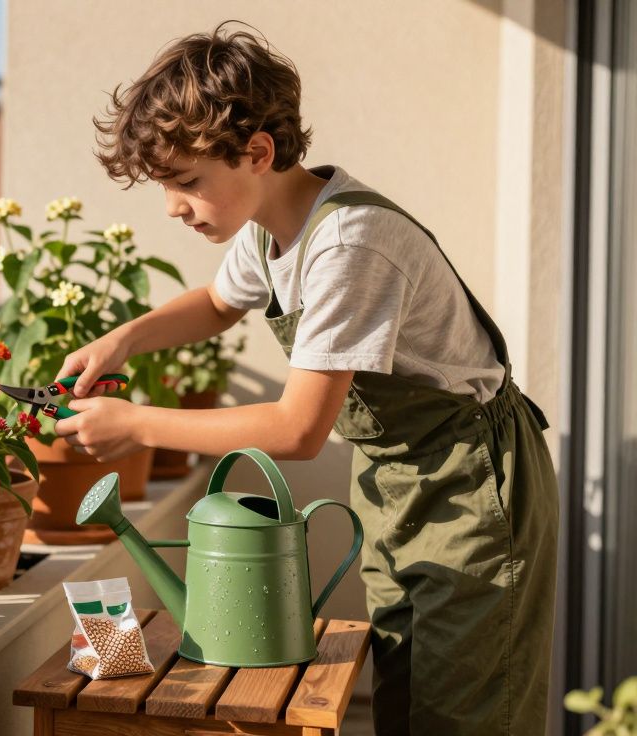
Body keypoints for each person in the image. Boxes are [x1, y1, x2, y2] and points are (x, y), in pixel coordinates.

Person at [53, 22, 558, 736]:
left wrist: (138, 424)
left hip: (471, 487)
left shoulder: (348, 244)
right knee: (408, 699)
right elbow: (219, 305)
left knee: (467, 714)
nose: (173, 207)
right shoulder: (269, 228)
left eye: (188, 183)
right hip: (396, 484)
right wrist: (123, 340)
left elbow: (297, 428)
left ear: (258, 152)